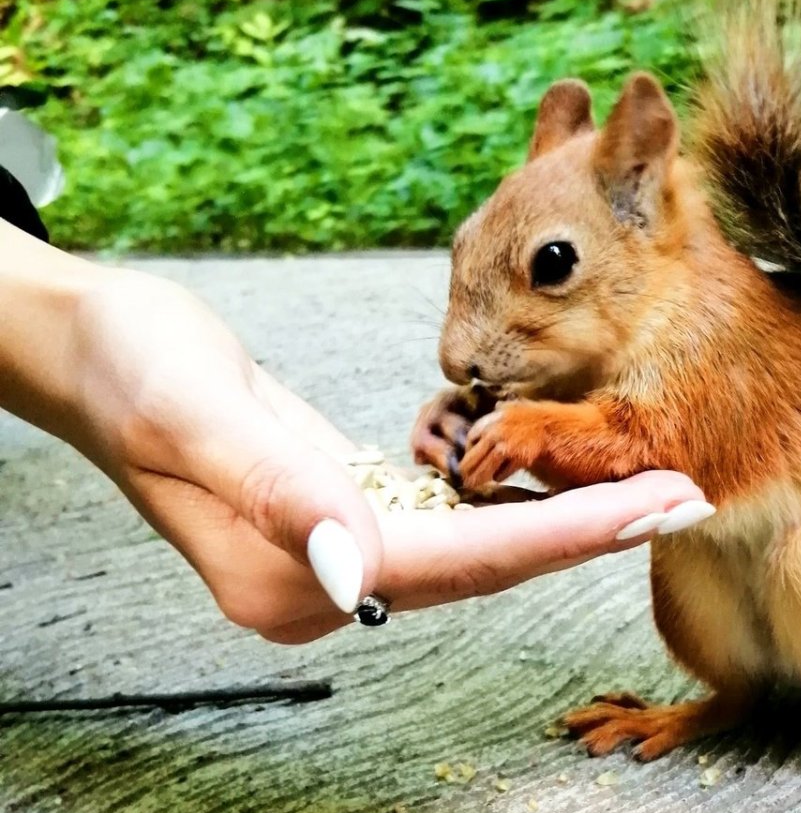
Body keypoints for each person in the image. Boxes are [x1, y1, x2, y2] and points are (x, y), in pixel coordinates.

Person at [0, 215, 709, 644]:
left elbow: (655, 452)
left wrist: (82, 330)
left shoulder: (690, 332)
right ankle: (730, 702)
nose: (455, 355)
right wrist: (479, 429)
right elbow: (559, 433)